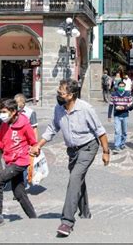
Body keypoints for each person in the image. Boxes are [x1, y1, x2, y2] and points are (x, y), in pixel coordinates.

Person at [30, 79, 110, 237]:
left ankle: (67, 221)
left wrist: (106, 152)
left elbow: (100, 131)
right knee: (77, 180)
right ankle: (85, 212)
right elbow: (52, 128)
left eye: (62, 93)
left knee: (74, 178)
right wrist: (39, 144)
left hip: (88, 147)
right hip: (72, 150)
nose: (58, 95)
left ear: (71, 95)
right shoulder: (59, 109)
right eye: (58, 92)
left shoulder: (86, 109)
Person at [0, 99, 38, 231]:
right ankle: (35, 219)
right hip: (9, 161)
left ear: (13, 112)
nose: (2, 115)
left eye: (4, 112)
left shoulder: (24, 124)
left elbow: (33, 142)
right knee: (19, 192)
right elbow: (1, 145)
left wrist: (36, 149)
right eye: (1, 112)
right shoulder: (4, 125)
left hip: (20, 161)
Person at [14, 93, 38, 189]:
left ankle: (22, 185)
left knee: (24, 165)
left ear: (23, 102)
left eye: (17, 102)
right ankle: (18, 184)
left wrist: (35, 144)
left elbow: (34, 128)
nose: (16, 104)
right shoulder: (14, 112)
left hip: (26, 143)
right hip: (16, 142)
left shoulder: (30, 112)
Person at [108, 81, 131, 153]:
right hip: (117, 115)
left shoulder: (128, 94)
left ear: (124, 87)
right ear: (118, 86)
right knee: (117, 131)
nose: (121, 87)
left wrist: (124, 108)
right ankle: (117, 145)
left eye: (122, 86)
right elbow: (111, 105)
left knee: (124, 131)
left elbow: (130, 105)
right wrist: (109, 116)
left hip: (125, 115)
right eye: (120, 86)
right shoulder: (114, 94)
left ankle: (122, 143)